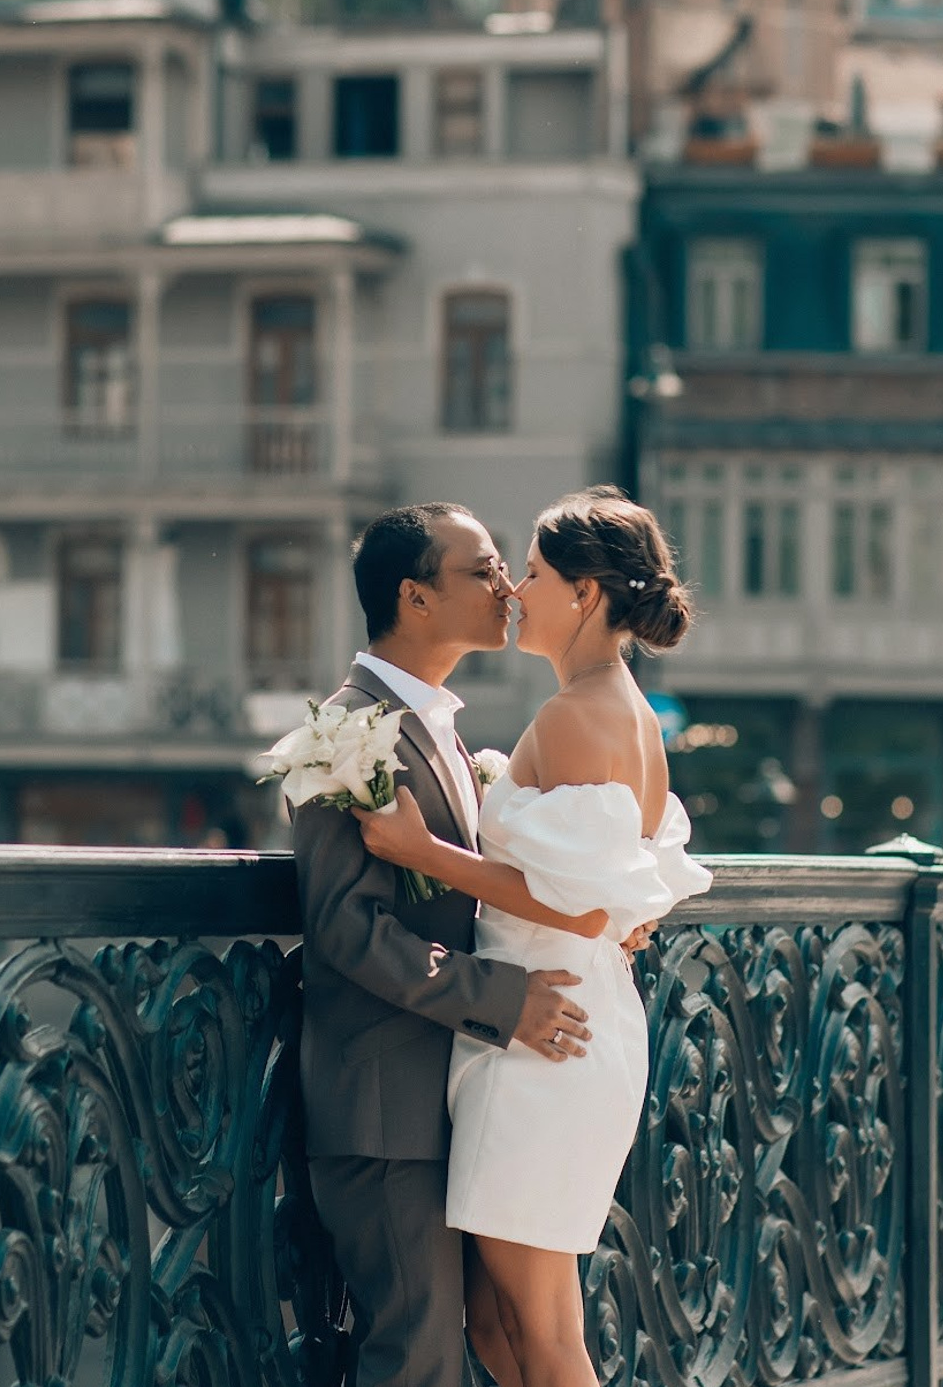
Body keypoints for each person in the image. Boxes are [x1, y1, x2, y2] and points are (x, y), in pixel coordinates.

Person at [356, 485, 713, 1387]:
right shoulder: (615, 707)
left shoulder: (577, 713)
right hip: (552, 1022)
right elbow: (623, 886)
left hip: (547, 1035)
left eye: (534, 573)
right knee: (496, 1324)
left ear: (585, 593)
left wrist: (423, 851)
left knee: (544, 1331)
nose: (515, 590)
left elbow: (585, 907)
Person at [291, 502, 604, 1387]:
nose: (507, 586)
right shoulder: (342, 733)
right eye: (483, 569)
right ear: (415, 597)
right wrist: (503, 1001)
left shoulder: (443, 733)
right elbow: (346, 928)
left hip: (458, 1097)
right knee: (418, 1359)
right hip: (385, 1108)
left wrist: (614, 912)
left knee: (500, 1338)